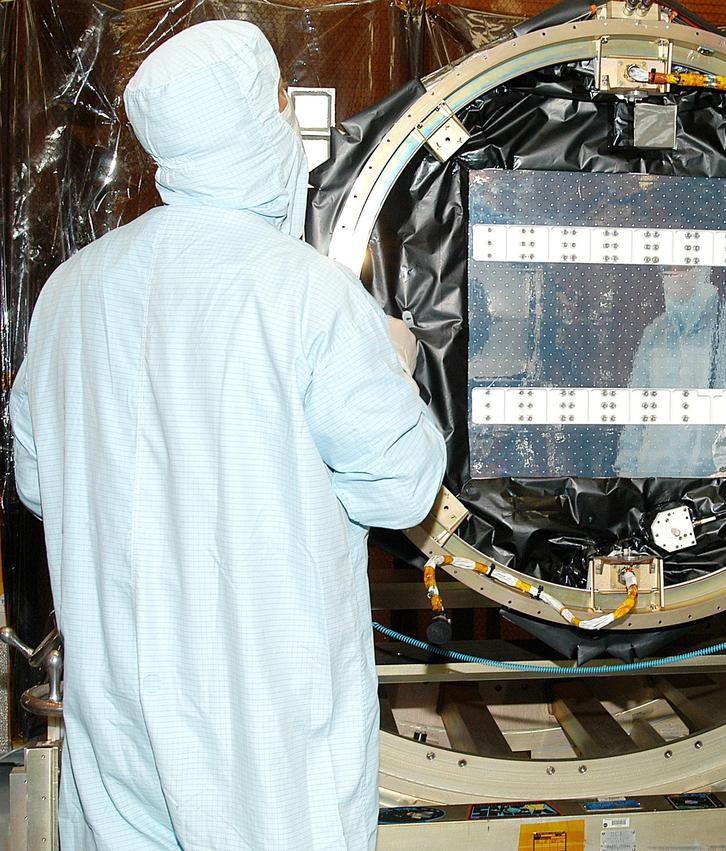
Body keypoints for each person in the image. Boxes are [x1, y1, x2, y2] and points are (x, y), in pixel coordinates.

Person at [8, 20, 446, 850]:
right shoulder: (305, 296)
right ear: (257, 122)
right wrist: (398, 365)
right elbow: (402, 487)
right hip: (265, 742)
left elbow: (39, 482)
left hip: (120, 730)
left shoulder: (70, 290)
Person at [614, 265, 726, 477]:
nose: (674, 274)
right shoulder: (655, 334)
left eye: (683, 265)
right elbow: (634, 422)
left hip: (710, 488)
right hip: (650, 484)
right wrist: (626, 480)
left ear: (703, 268)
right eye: (667, 267)